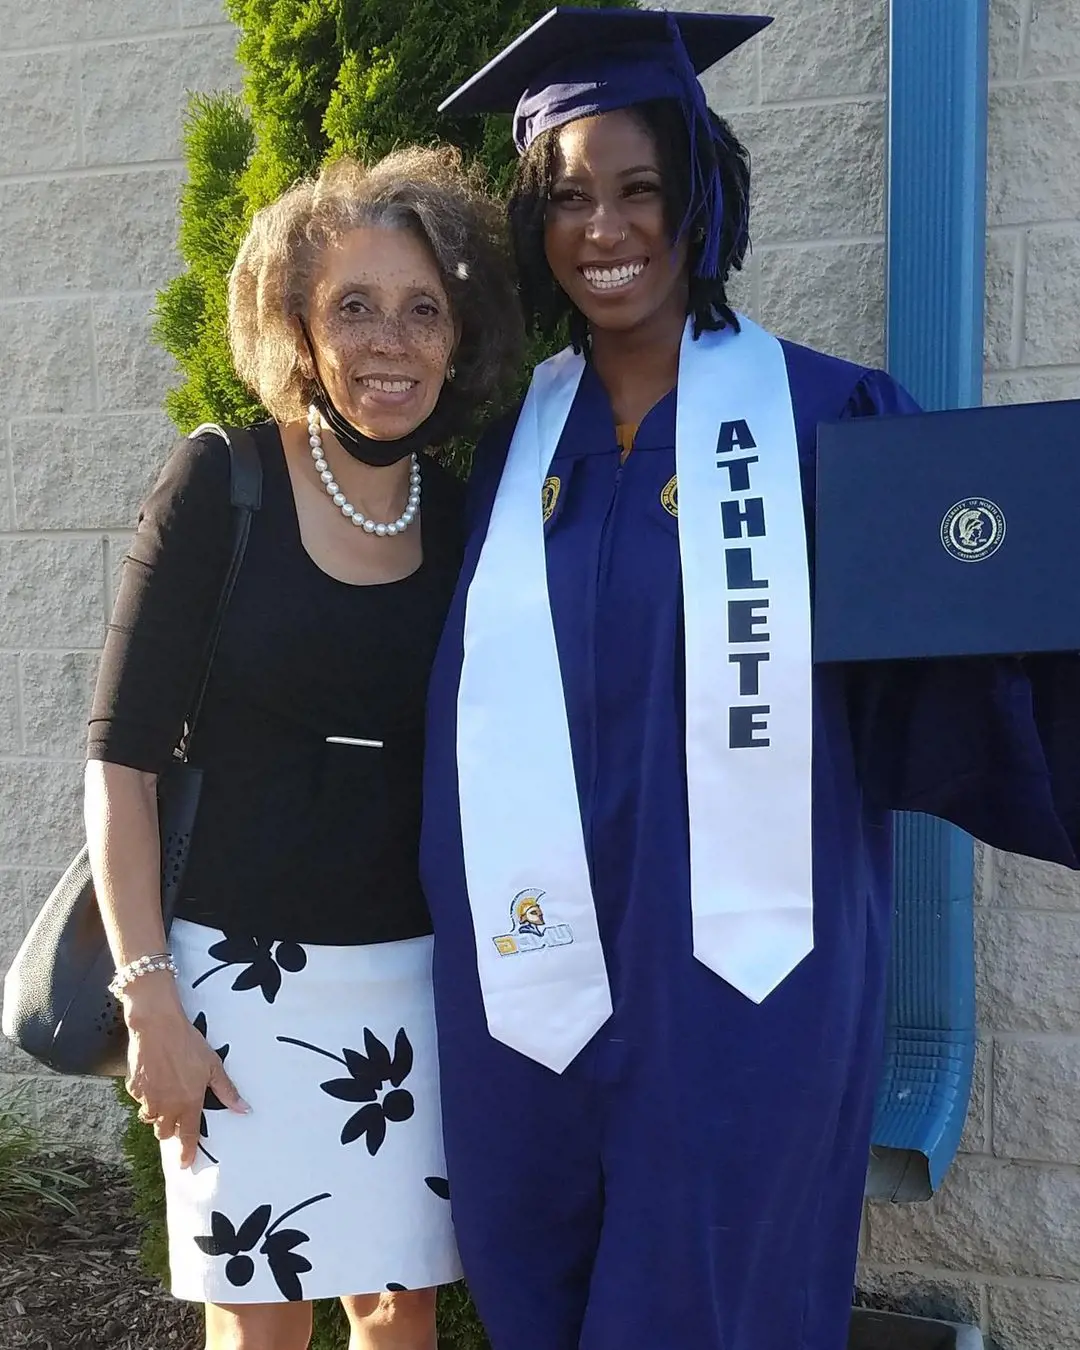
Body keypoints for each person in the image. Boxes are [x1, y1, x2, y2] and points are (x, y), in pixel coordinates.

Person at [421, 10, 1080, 1350]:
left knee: (715, 1297)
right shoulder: (501, 453)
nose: (601, 226)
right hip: (528, 979)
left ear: (699, 196)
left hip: (748, 979)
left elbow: (959, 674)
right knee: (534, 1275)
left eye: (636, 188)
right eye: (565, 197)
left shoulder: (832, 423)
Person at [85, 147, 520, 1350]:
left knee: (402, 1313)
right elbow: (119, 756)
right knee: (262, 1325)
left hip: (416, 982)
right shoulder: (219, 478)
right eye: (356, 308)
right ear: (298, 326)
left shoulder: (467, 513)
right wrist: (148, 999)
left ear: (458, 335)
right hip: (235, 985)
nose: (393, 341)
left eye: (424, 309)